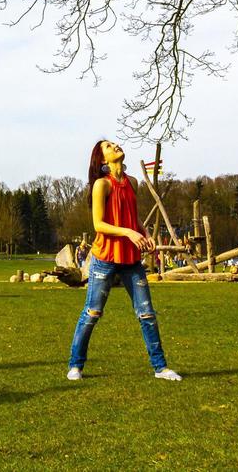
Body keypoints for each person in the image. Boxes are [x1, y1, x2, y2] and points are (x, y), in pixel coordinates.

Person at [67, 139, 182, 382]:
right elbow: (99, 224)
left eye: (114, 143)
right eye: (108, 147)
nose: (115, 146)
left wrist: (146, 234)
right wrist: (129, 233)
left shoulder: (132, 183)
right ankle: (75, 365)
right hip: (105, 258)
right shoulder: (101, 185)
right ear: (102, 160)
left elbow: (134, 218)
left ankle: (160, 368)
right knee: (92, 312)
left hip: (131, 259)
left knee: (147, 313)